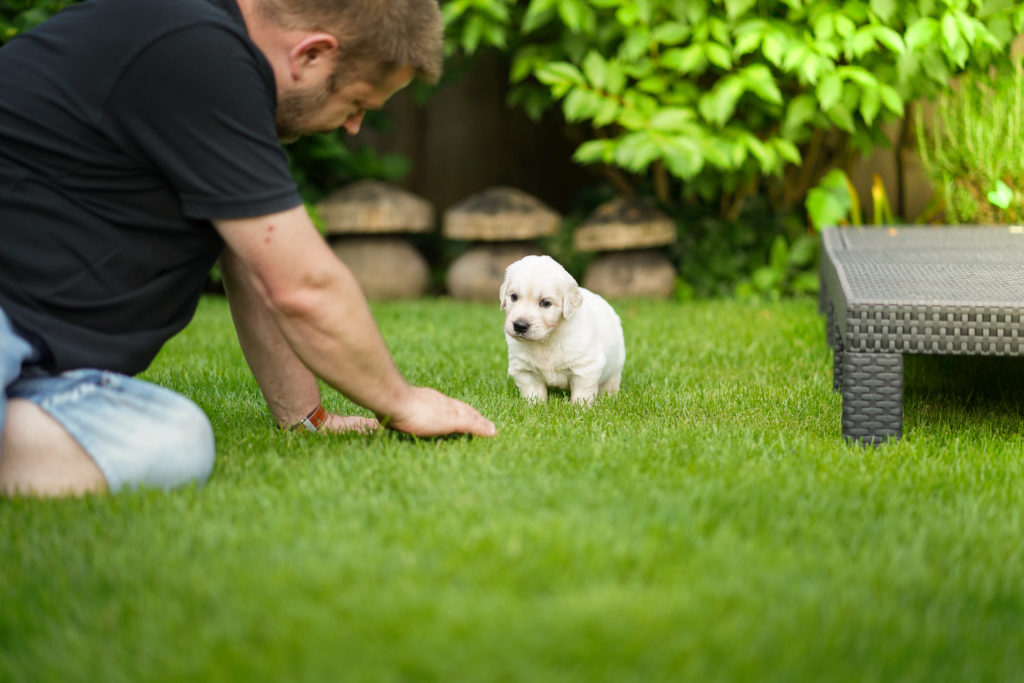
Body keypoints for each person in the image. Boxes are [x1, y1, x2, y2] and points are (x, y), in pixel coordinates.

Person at [0, 0, 497, 498]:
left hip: (37, 357)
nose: (353, 127)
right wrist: (402, 402)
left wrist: (308, 418)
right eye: (358, 103)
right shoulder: (198, 49)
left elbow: (254, 255)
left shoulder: (208, 45)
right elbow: (302, 287)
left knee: (178, 439)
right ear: (311, 55)